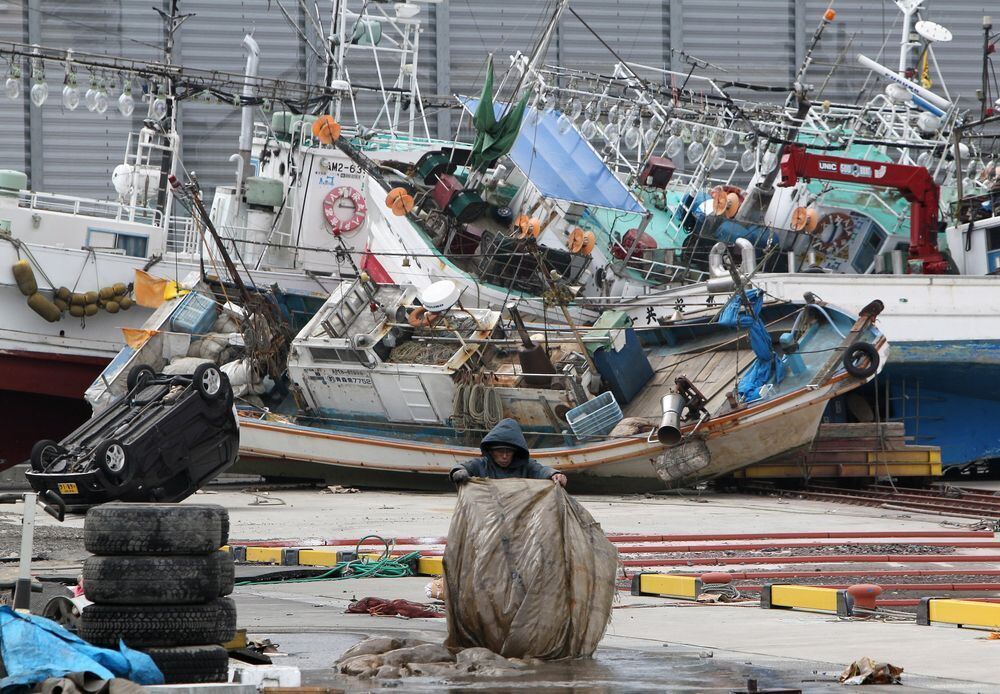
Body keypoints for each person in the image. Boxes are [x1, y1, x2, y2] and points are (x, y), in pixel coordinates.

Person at [450, 418, 568, 487]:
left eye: (509, 452)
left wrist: (554, 474)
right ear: (491, 451)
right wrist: (459, 472)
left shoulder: (526, 465)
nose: (505, 456)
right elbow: (463, 467)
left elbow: (541, 470)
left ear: (515, 452)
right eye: (500, 451)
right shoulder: (481, 464)